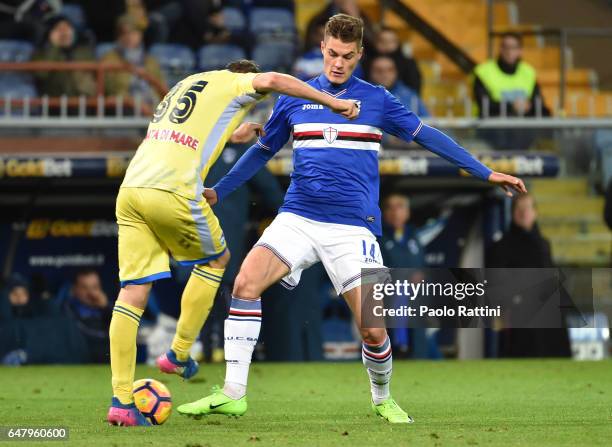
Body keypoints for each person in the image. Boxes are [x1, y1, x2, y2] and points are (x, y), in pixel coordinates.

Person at [177, 14, 527, 424]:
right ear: (322, 48)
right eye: (331, 53)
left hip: (352, 228)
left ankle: (382, 397)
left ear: (359, 54)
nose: (338, 63)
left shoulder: (378, 100)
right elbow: (262, 150)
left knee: (374, 329)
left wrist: (485, 172)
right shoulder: (295, 96)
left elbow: (428, 136)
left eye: (346, 55)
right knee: (245, 283)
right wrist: (222, 189)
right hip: (298, 217)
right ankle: (234, 392)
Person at [107, 58, 359, 426]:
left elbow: (187, 131)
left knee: (131, 292)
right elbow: (273, 79)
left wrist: (232, 133)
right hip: (172, 189)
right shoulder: (236, 82)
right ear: (243, 77)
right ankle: (178, 353)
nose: (250, 102)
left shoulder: (189, 83)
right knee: (217, 261)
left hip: (131, 190)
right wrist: (331, 101)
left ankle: (121, 401)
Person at [487, 193, 571, 357]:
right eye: (519, 209)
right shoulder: (502, 247)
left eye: (527, 208)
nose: (524, 213)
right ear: (512, 213)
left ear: (535, 212)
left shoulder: (544, 244)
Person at [473, 32, 549, 119]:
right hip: (493, 127)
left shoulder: (528, 72)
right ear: (500, 49)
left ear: (520, 50)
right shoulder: (483, 72)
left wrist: (529, 106)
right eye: (506, 47)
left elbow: (539, 104)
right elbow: (485, 105)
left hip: (523, 127)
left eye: (514, 48)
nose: (509, 52)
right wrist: (511, 106)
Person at [102, 14, 165, 106]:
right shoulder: (109, 59)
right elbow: (111, 89)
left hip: (152, 109)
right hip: (124, 108)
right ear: (118, 36)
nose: (129, 37)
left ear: (141, 35)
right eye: (125, 33)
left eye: (134, 33)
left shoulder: (151, 61)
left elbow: (162, 89)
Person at [32, 14, 96, 97]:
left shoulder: (85, 52)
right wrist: (54, 46)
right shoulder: (40, 53)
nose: (64, 32)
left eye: (67, 28)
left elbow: (95, 77)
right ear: (50, 34)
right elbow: (42, 74)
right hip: (54, 103)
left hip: (82, 103)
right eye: (59, 29)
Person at [63, 269, 112, 364]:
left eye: (95, 287)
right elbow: (78, 332)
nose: (91, 293)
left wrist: (106, 308)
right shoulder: (68, 307)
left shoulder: (107, 307)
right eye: (84, 288)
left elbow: (121, 330)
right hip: (83, 358)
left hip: (107, 357)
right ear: (75, 289)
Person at [367, 27, 421, 95]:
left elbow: (414, 88)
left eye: (391, 42)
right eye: (382, 41)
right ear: (375, 42)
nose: (387, 45)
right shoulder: (367, 62)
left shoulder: (408, 63)